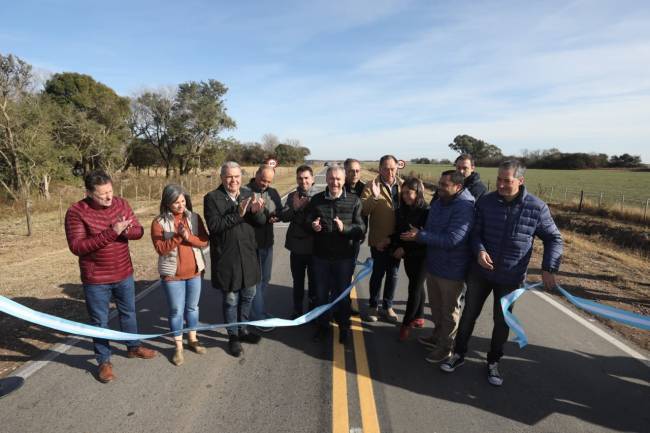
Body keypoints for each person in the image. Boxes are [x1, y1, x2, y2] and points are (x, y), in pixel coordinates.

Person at [441, 160, 563, 386]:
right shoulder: (486, 202)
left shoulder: (536, 207)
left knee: (502, 322)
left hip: (510, 278)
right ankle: (458, 354)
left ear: (520, 180)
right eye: (499, 179)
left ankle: (493, 362)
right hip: (480, 273)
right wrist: (479, 251)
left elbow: (554, 238)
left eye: (507, 180)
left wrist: (549, 268)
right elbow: (475, 233)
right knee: (469, 315)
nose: (501, 184)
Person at [65, 170, 156, 383]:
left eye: (110, 191)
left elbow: (139, 231)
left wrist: (125, 231)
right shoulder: (76, 212)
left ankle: (133, 347)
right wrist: (112, 232)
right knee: (99, 322)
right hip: (96, 279)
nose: (108, 197)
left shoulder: (121, 203)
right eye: (102, 194)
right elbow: (77, 247)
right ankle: (104, 362)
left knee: (129, 313)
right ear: (88, 192)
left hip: (124, 271)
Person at [403, 171, 475, 360]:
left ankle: (446, 347)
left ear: (458, 187)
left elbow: (454, 239)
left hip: (452, 269)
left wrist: (421, 236)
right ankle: (437, 336)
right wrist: (421, 233)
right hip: (434, 264)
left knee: (449, 311)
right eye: (440, 183)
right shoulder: (439, 202)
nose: (440, 187)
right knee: (436, 307)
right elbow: (432, 229)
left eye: (444, 184)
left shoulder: (464, 207)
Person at [204, 161, 266, 357]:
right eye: (229, 176)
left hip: (247, 255)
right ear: (222, 178)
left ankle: (243, 329)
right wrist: (239, 214)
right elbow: (215, 226)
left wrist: (257, 212)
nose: (233, 180)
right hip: (227, 257)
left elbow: (261, 223)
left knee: (249, 294)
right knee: (231, 299)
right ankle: (233, 336)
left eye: (237, 176)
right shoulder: (212, 198)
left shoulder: (248, 194)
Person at [151, 184, 209, 366]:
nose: (180, 205)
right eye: (176, 202)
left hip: (194, 273)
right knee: (176, 311)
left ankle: (193, 339)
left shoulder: (194, 217)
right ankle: (178, 347)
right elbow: (160, 249)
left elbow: (204, 241)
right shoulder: (159, 222)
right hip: (172, 276)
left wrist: (189, 237)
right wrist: (178, 237)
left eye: (183, 201)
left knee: (193, 308)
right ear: (167, 203)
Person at [307, 165, 365, 344]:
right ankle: (323, 327)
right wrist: (312, 225)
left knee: (342, 295)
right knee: (321, 295)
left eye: (338, 179)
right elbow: (308, 219)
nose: (335, 182)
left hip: (344, 258)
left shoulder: (354, 200)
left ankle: (344, 327)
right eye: (331, 178)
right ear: (326, 179)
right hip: (321, 257)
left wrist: (345, 228)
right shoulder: (316, 199)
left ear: (344, 180)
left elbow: (361, 229)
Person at [361, 155, 402, 323]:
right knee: (378, 274)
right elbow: (364, 210)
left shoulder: (402, 185)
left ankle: (388, 306)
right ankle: (373, 305)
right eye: (386, 168)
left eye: (392, 168)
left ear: (397, 168)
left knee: (393, 274)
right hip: (379, 240)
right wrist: (375, 197)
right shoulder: (371, 185)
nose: (390, 171)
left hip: (397, 240)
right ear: (380, 169)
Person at [387, 177, 429, 341]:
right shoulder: (402, 210)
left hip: (422, 256)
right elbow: (400, 232)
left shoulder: (427, 211)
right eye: (403, 193)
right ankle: (419, 316)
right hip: (409, 256)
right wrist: (390, 240)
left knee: (414, 289)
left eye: (409, 193)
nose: (405, 196)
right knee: (418, 286)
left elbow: (426, 238)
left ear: (418, 192)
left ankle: (406, 324)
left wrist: (404, 248)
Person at [245, 164, 284, 331]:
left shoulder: (273, 192)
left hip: (268, 243)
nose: (265, 184)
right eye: (262, 180)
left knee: (266, 279)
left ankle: (255, 311)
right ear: (256, 174)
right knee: (256, 281)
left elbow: (280, 212)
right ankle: (258, 316)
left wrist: (277, 216)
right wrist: (257, 213)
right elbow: (244, 217)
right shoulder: (245, 191)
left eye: (268, 181)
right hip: (251, 244)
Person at [281, 165, 317, 318]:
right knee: (298, 281)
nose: (303, 181)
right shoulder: (292, 196)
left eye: (306, 178)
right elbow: (284, 216)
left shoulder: (319, 196)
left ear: (312, 179)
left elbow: (315, 221)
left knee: (314, 281)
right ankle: (297, 309)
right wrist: (295, 209)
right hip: (297, 247)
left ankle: (313, 308)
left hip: (315, 247)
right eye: (300, 178)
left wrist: (301, 210)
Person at [344, 158, 367, 315]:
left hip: (355, 238)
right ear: (345, 171)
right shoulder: (338, 185)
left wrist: (364, 232)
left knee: (349, 271)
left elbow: (368, 214)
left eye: (357, 170)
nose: (355, 173)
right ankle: (336, 302)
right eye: (351, 170)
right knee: (336, 272)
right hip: (338, 237)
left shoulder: (365, 189)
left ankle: (346, 302)